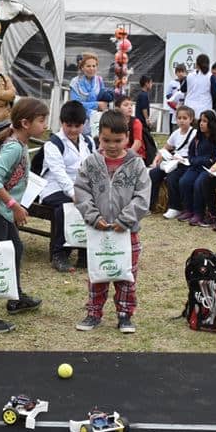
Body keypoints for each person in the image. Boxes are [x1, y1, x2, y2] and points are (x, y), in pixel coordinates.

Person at [0, 98, 47, 333]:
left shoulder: (20, 142)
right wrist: (14, 205)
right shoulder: (14, 147)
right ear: (25, 123)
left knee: (15, 249)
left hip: (2, 212)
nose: (45, 125)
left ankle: (14, 298)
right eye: (41, 120)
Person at [73, 109, 151, 333]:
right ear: (99, 136)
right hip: (98, 230)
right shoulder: (91, 163)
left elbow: (143, 196)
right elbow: (81, 191)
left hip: (126, 232)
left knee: (126, 274)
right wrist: (93, 217)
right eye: (106, 140)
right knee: (98, 273)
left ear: (127, 137)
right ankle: (93, 313)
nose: (112, 145)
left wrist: (125, 219)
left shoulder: (136, 165)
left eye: (118, 140)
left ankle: (125, 314)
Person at [38, 100, 95, 272]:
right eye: (68, 125)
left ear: (83, 124)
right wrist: (73, 193)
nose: (72, 130)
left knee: (95, 204)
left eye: (77, 126)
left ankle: (85, 253)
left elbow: (93, 167)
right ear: (62, 123)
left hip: (81, 188)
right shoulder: (53, 144)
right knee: (66, 207)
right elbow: (58, 173)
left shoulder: (89, 141)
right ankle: (59, 254)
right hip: (53, 188)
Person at [176, 110, 216, 227]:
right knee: (184, 181)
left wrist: (208, 161)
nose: (201, 124)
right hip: (196, 166)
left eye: (205, 121)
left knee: (199, 183)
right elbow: (191, 153)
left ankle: (199, 212)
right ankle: (189, 209)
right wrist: (194, 160)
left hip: (211, 169)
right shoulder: (198, 137)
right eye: (201, 121)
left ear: (213, 123)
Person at [150, 106, 196, 212]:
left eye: (185, 118)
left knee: (172, 176)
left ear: (191, 119)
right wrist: (157, 158)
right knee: (154, 173)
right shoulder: (176, 133)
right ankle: (152, 204)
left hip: (186, 162)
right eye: (179, 118)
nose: (181, 121)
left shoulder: (194, 133)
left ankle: (175, 206)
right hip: (173, 160)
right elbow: (166, 147)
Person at [70, 53, 105, 133]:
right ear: (82, 67)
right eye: (88, 66)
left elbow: (103, 101)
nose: (91, 69)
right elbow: (75, 104)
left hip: (97, 121)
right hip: (79, 120)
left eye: (94, 66)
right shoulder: (75, 82)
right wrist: (96, 104)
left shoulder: (99, 80)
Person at [115, 94, 145, 158]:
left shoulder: (136, 122)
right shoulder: (114, 122)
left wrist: (126, 157)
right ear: (117, 108)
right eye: (126, 105)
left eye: (131, 105)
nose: (130, 107)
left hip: (135, 155)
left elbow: (138, 143)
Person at [165, 64, 188, 128]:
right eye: (179, 72)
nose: (181, 74)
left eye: (182, 72)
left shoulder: (188, 82)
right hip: (173, 111)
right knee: (173, 130)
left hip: (185, 111)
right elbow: (168, 96)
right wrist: (175, 106)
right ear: (176, 73)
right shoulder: (172, 83)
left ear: (185, 72)